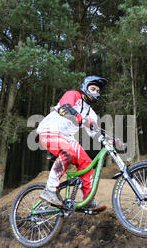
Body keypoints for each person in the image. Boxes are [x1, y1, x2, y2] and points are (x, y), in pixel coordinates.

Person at [37, 75, 108, 211]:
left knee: (87, 162)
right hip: (49, 132)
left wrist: (110, 139)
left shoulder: (91, 113)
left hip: (67, 138)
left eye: (98, 91)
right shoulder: (73, 95)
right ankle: (49, 190)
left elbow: (95, 132)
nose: (95, 93)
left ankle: (88, 199)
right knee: (68, 152)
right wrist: (82, 119)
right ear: (84, 88)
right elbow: (65, 108)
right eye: (92, 89)